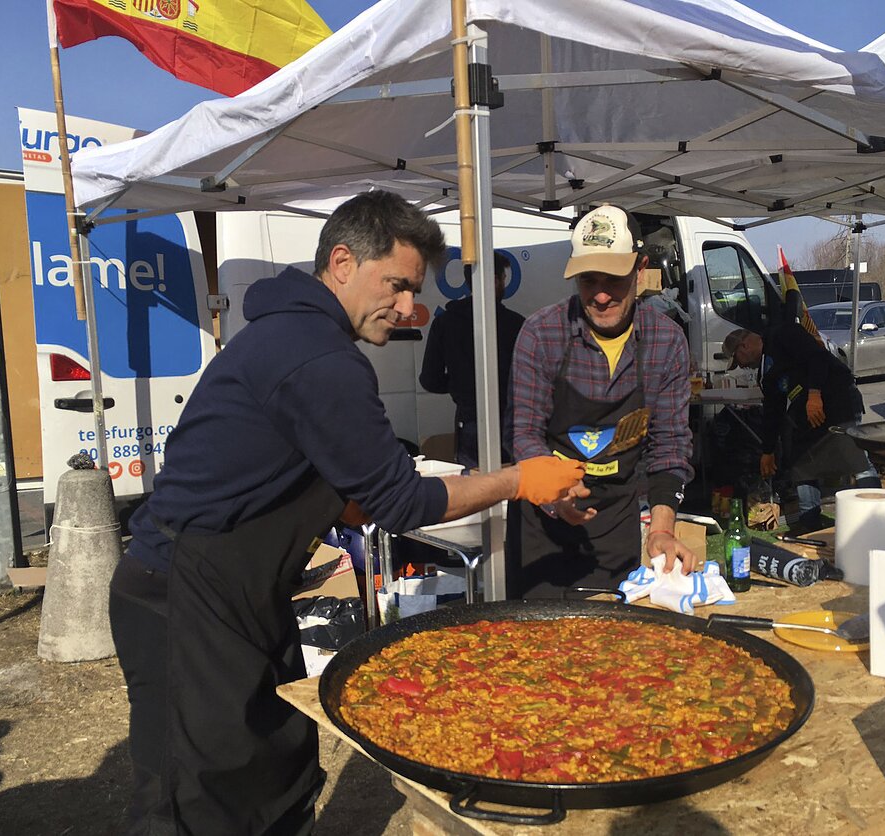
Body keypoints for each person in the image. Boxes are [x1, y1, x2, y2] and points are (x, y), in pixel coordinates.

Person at [107, 190, 587, 835]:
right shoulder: (317, 356)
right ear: (341, 262)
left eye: (414, 290)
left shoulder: (301, 337)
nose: (409, 308)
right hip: (182, 590)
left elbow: (304, 470)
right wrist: (517, 480)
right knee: (196, 795)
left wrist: (347, 498)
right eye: (397, 285)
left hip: (241, 585)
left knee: (270, 761)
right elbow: (401, 503)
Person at [507, 204, 698, 598]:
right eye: (588, 280)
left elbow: (670, 445)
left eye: (614, 279)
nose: (601, 295)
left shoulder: (666, 342)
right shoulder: (541, 333)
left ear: (640, 269)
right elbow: (524, 434)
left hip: (614, 526)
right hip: (542, 527)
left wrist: (662, 528)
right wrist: (556, 494)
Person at [722, 323, 880, 535]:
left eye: (738, 361)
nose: (743, 366)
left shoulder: (782, 333)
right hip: (808, 411)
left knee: (856, 459)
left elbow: (817, 357)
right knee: (802, 463)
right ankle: (809, 523)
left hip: (837, 399)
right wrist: (768, 451)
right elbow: (773, 410)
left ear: (744, 346)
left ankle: (878, 513)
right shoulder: (765, 372)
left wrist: (814, 394)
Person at [419, 251, 525, 467]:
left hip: (469, 422)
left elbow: (430, 380)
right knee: (511, 482)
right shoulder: (517, 325)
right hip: (511, 422)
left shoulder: (444, 323)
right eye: (503, 278)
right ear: (495, 280)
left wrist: (460, 385)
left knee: (473, 482)